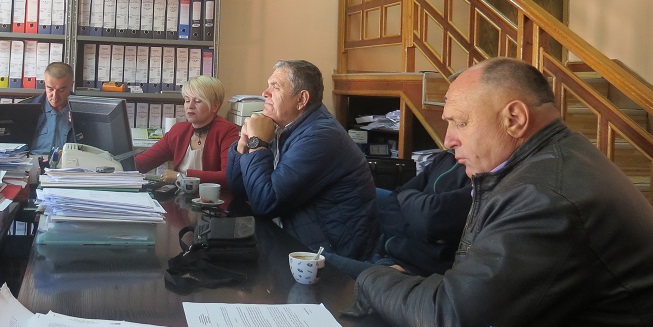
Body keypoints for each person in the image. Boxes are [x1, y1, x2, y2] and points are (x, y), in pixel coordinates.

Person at [346, 57, 653, 327]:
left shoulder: (545, 195)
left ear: (514, 119)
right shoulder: (550, 164)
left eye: (460, 123)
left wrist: (372, 278)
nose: (449, 139)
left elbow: (455, 323)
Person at [227, 60, 378, 259]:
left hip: (327, 254)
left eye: (275, 87)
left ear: (302, 99)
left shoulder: (321, 136)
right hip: (294, 239)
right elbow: (239, 190)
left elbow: (265, 203)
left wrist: (258, 143)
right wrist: (244, 143)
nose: (265, 93)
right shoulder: (283, 127)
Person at [325, 150, 471, 278]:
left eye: (462, 127)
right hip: (384, 254)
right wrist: (412, 224)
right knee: (317, 265)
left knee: (317, 264)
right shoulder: (446, 157)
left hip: (412, 273)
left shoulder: (479, 182)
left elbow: (431, 216)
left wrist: (406, 200)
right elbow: (395, 196)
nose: (448, 140)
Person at [135, 75, 239, 186]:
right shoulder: (178, 130)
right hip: (180, 195)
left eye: (197, 101)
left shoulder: (228, 131)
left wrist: (181, 177)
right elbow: (142, 163)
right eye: (187, 100)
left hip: (212, 196)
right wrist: (121, 164)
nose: (190, 106)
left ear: (214, 106)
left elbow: (228, 176)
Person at [25, 62, 75, 155]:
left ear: (71, 85)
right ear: (44, 83)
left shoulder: (84, 111)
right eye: (50, 89)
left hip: (70, 161)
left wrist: (79, 123)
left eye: (61, 90)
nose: (55, 96)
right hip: (33, 161)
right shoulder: (26, 109)